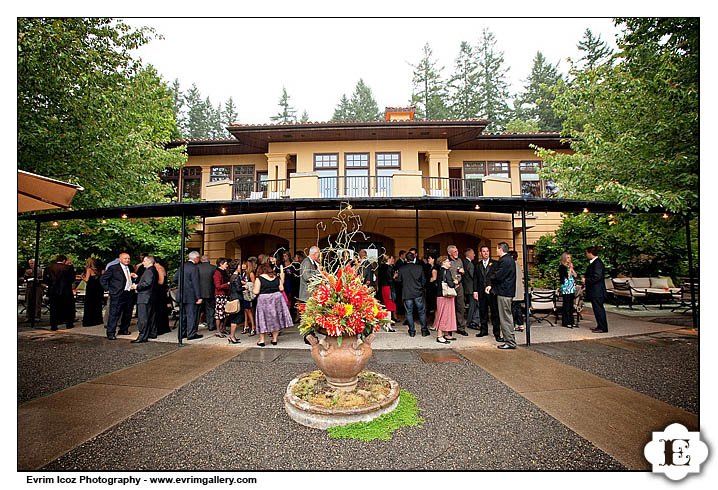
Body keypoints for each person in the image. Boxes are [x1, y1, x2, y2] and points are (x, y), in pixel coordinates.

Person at [485, 242, 517, 350]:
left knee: (505, 318)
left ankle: (510, 342)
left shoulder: (505, 261)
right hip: (505, 292)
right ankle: (509, 339)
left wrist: (490, 281)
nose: (496, 251)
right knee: (506, 316)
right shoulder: (509, 260)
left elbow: (498, 276)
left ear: (501, 249)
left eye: (497, 249)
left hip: (504, 292)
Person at [253, 263, 293, 346]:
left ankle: (262, 340)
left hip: (264, 300)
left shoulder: (259, 279)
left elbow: (256, 291)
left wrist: (252, 290)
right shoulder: (276, 278)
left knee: (262, 318)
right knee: (275, 318)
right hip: (276, 299)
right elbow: (281, 288)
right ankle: (274, 339)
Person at [100, 253, 136, 339]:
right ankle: (111, 333)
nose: (127, 260)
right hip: (117, 294)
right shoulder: (113, 268)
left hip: (129, 293)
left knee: (128, 313)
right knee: (114, 313)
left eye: (128, 258)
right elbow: (103, 279)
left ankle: (124, 329)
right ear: (120, 259)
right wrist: (108, 289)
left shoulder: (130, 267)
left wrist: (134, 278)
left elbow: (129, 278)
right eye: (125, 258)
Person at [395, 251, 427, 337]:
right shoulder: (419, 268)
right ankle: (424, 330)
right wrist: (420, 288)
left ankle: (412, 331)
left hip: (407, 292)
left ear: (406, 259)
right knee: (421, 312)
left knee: (409, 312)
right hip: (418, 292)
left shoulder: (402, 269)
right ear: (414, 258)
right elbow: (424, 280)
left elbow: (399, 281)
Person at [173, 251, 203, 340]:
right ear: (196, 258)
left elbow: (175, 278)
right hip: (191, 296)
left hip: (181, 295)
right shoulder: (194, 268)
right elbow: (195, 283)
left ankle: (181, 333)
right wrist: (199, 297)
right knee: (191, 315)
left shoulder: (182, 266)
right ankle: (191, 334)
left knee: (182, 315)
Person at [474, 245, 501, 340]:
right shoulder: (477, 265)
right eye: (483, 251)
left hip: (492, 291)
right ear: (480, 253)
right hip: (481, 292)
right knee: (482, 311)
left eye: (487, 251)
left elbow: (497, 278)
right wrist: (475, 291)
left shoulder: (495, 263)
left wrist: (493, 286)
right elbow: (476, 279)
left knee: (495, 313)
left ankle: (497, 333)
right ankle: (483, 330)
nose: (485, 253)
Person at [43, 254, 76, 331]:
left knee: (53, 309)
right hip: (66, 290)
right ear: (64, 260)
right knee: (67, 308)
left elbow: (45, 280)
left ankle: (54, 325)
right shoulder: (68, 268)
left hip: (53, 290)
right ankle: (69, 324)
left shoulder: (49, 268)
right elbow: (72, 279)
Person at [130, 255, 157, 343]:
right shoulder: (152, 270)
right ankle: (152, 333)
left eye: (144, 261)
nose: (143, 263)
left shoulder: (149, 271)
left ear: (149, 262)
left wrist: (136, 286)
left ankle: (142, 337)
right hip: (150, 297)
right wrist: (137, 278)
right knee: (150, 317)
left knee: (143, 318)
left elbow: (147, 283)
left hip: (144, 297)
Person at [583, 246, 608, 333]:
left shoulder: (597, 263)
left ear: (590, 253)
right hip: (595, 291)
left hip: (597, 291)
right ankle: (600, 325)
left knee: (599, 309)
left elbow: (597, 276)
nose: (586, 255)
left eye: (586, 253)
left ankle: (602, 327)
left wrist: (586, 280)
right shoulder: (595, 263)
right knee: (597, 309)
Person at [434, 256, 458, 343]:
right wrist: (455, 282)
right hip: (446, 296)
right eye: (448, 261)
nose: (449, 262)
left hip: (441, 295)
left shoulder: (440, 271)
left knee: (444, 314)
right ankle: (440, 335)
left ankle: (446, 334)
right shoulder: (446, 271)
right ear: (443, 262)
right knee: (444, 315)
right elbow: (451, 284)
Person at [447, 245, 468, 336]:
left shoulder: (459, 261)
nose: (457, 253)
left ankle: (461, 327)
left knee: (460, 306)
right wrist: (452, 284)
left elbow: (460, 273)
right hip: (450, 286)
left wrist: (462, 272)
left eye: (457, 251)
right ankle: (449, 327)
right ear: (449, 253)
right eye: (455, 251)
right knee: (449, 308)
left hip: (459, 286)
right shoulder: (447, 261)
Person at [81, 257, 104, 327]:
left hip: (91, 289)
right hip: (98, 288)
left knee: (89, 304)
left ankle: (89, 320)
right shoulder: (98, 270)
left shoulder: (89, 269)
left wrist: (82, 277)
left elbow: (87, 280)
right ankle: (97, 319)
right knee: (97, 304)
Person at [377, 254, 397, 331]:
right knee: (389, 306)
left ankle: (386, 323)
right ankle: (388, 325)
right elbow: (390, 280)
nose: (392, 260)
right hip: (389, 288)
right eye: (392, 258)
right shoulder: (388, 268)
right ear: (388, 259)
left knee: (386, 305)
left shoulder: (381, 267)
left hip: (383, 288)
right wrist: (394, 276)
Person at [558, 252, 578, 329]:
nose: (569, 259)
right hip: (566, 288)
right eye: (568, 258)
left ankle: (571, 321)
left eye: (570, 257)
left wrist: (572, 268)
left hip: (571, 288)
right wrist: (569, 269)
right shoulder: (562, 267)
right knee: (566, 305)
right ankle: (565, 322)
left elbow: (575, 275)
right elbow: (567, 276)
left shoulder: (569, 267)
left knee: (570, 305)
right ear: (564, 258)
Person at [197, 255, 217, 331]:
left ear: (201, 260)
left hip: (199, 293)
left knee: (198, 310)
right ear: (209, 260)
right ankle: (211, 325)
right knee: (211, 309)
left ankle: (196, 325)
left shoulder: (197, 268)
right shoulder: (214, 268)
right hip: (210, 292)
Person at [227, 260, 244, 344]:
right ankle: (232, 336)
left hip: (232, 298)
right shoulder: (236, 277)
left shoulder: (232, 276)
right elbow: (238, 289)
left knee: (234, 318)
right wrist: (245, 287)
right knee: (235, 319)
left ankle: (232, 336)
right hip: (237, 298)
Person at [213, 258, 231, 337]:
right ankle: (218, 330)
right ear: (221, 264)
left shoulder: (224, 272)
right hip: (220, 295)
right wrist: (228, 284)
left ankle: (223, 328)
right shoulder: (217, 273)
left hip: (225, 295)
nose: (227, 266)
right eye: (226, 264)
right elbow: (218, 286)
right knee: (219, 313)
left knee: (226, 313)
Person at [153, 257, 171, 336]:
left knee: (160, 310)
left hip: (160, 292)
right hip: (160, 292)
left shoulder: (160, 268)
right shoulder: (159, 268)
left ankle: (161, 328)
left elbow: (161, 281)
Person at [241, 258, 258, 335]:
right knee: (245, 310)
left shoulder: (251, 273)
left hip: (249, 294)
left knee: (249, 310)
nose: (242, 265)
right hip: (244, 294)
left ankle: (253, 327)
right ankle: (246, 325)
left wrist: (244, 282)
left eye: (244, 264)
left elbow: (254, 284)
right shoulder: (244, 273)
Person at [462, 248, 477, 329]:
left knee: (468, 305)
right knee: (473, 305)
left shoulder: (463, 262)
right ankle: (470, 321)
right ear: (469, 254)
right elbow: (473, 276)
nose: (474, 255)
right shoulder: (470, 264)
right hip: (471, 288)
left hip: (465, 287)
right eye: (473, 253)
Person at [510, 251, 525, 332]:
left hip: (513, 291)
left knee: (512, 309)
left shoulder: (512, 265)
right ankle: (520, 324)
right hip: (519, 291)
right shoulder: (518, 265)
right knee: (518, 308)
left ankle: (513, 325)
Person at [424, 254, 438, 324]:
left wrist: (427, 280)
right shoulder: (431, 267)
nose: (428, 260)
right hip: (431, 289)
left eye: (429, 258)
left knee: (435, 307)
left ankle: (435, 323)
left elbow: (434, 278)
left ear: (433, 259)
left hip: (433, 289)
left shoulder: (434, 268)